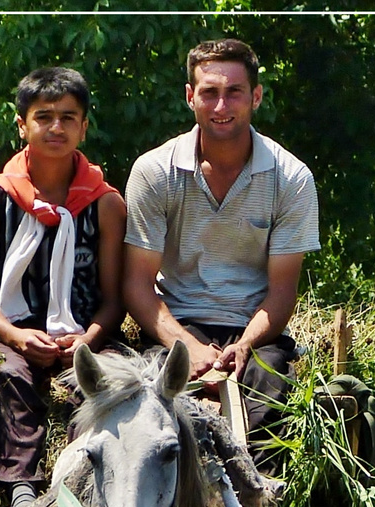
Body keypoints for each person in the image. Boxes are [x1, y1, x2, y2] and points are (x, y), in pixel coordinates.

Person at [122, 38, 319, 471]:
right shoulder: (154, 171)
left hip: (256, 329)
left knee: (270, 409)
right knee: (146, 411)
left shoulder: (291, 178)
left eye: (233, 92)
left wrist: (246, 345)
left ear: (256, 96)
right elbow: (137, 283)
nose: (221, 104)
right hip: (176, 322)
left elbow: (283, 290)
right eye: (209, 92)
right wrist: (187, 346)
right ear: (190, 97)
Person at [0, 66, 126, 507]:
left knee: (105, 386)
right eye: (44, 117)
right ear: (22, 125)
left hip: (84, 334)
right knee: (13, 374)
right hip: (13, 329)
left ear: (84, 127)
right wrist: (17, 335)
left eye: (68, 118)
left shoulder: (107, 205)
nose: (56, 128)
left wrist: (88, 341)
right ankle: (20, 491)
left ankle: (77, 488)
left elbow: (114, 300)